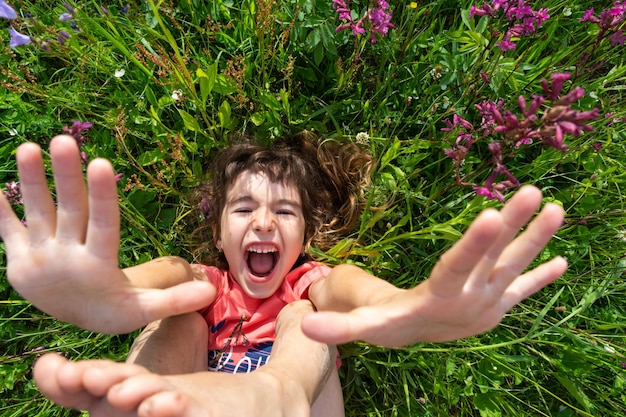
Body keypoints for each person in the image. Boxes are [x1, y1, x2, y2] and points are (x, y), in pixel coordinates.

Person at [0, 133, 568, 417]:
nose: (264, 221)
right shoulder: (204, 283)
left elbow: (349, 288)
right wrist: (116, 293)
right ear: (220, 237)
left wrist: (403, 306)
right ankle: (151, 405)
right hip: (182, 400)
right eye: (243, 209)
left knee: (307, 319)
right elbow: (164, 275)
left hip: (278, 405)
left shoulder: (307, 284)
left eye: (286, 211)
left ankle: (276, 394)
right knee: (182, 312)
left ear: (303, 240)